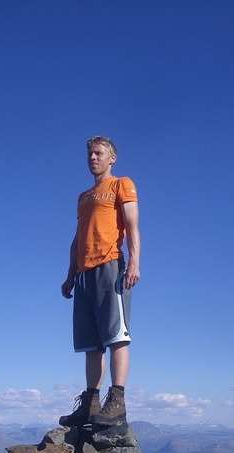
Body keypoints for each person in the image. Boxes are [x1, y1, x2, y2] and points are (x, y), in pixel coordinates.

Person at [59, 135, 140, 427]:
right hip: (84, 274)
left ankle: (116, 400)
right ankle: (91, 403)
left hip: (110, 265)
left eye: (98, 153)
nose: (93, 158)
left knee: (116, 335)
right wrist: (70, 274)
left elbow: (131, 227)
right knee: (91, 343)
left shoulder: (122, 184)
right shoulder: (84, 197)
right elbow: (78, 237)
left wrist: (134, 262)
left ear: (111, 158)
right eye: (90, 154)